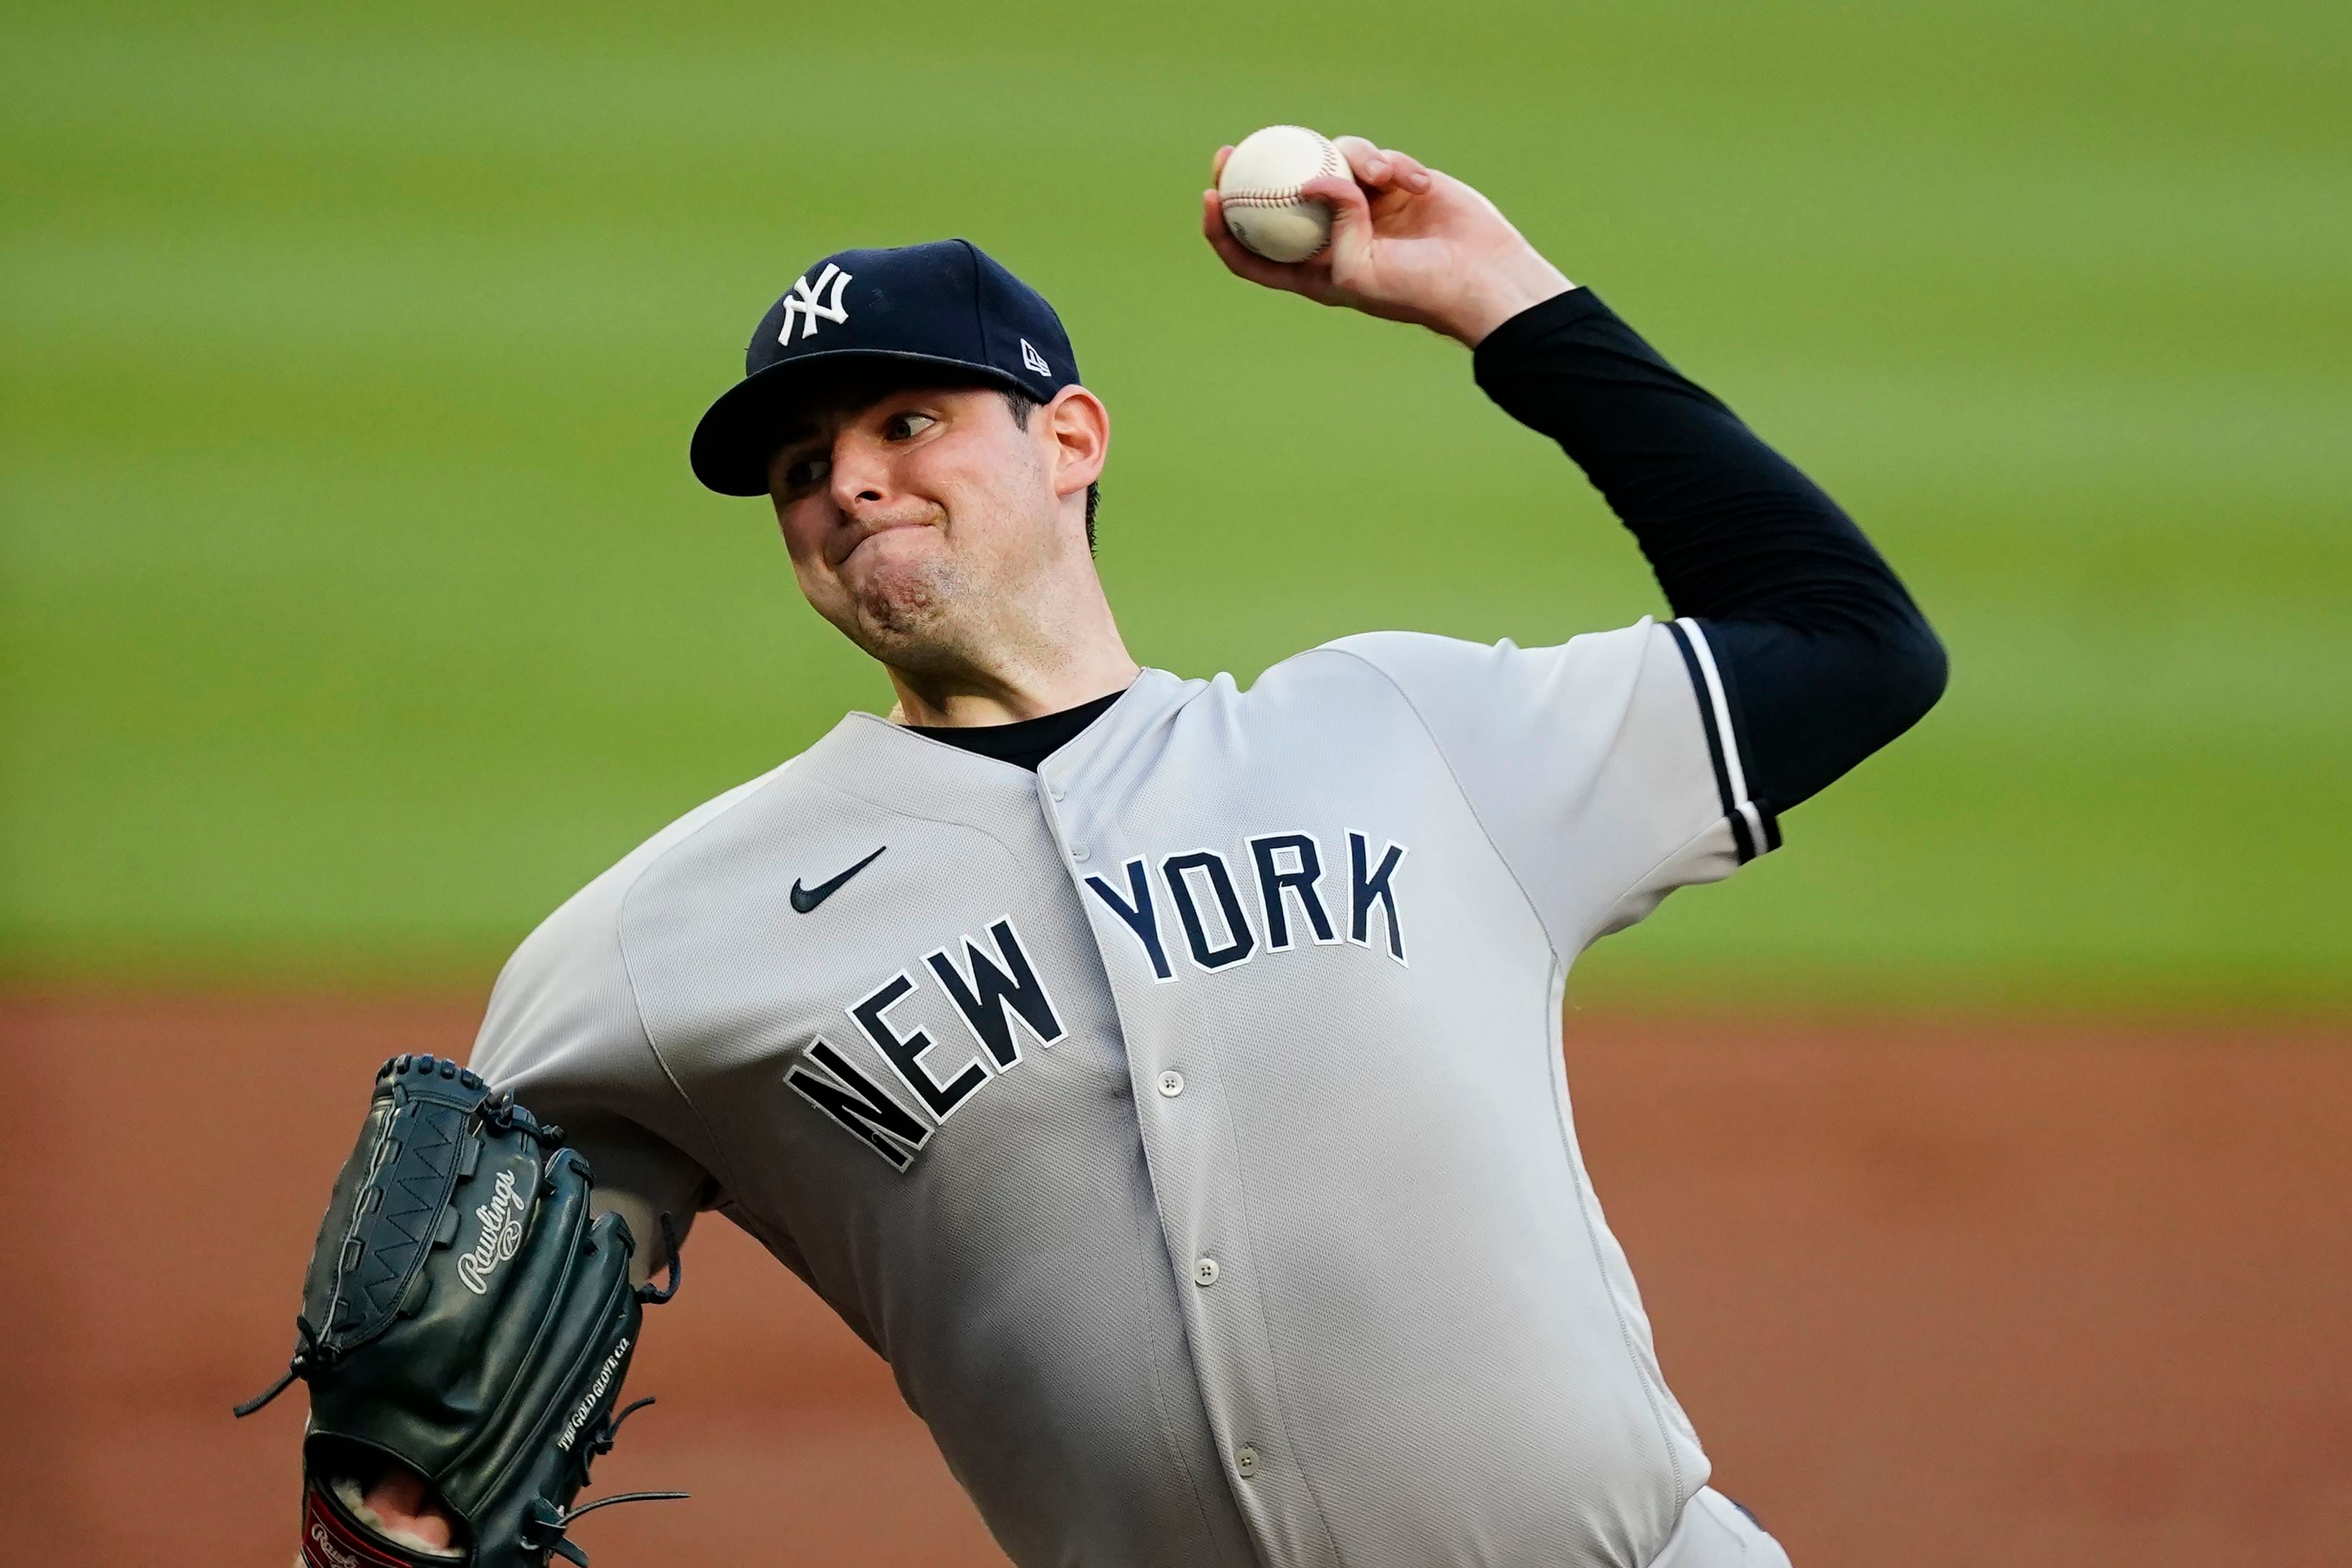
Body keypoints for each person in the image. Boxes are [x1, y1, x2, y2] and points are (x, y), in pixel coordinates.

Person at [347, 137, 1943, 1567]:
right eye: (796, 470)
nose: (847, 482)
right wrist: (392, 1495)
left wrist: (1500, 300)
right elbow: (435, 1384)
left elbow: (1850, 646)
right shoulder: (661, 939)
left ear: (1070, 441)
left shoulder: (1413, 733)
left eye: (908, 421)